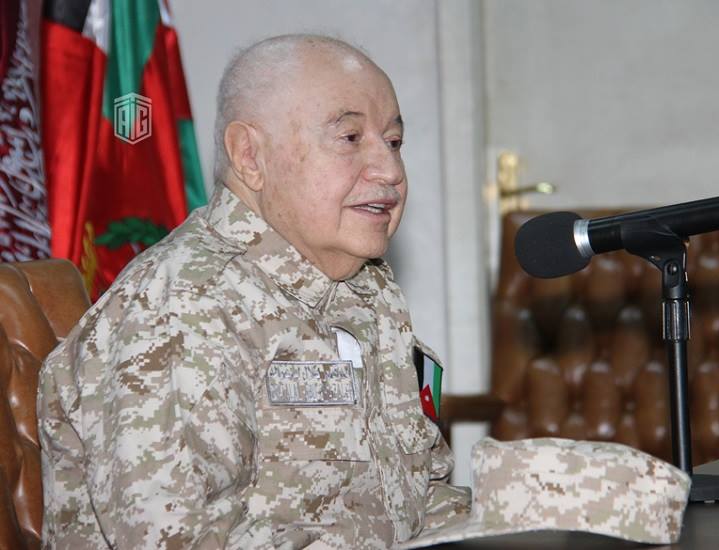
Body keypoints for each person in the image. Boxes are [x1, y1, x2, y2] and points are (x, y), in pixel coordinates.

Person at [37, 34, 470, 549]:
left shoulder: (366, 293)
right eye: (351, 138)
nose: (391, 171)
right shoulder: (180, 308)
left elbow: (419, 503)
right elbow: (183, 540)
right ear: (250, 157)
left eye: (394, 142)